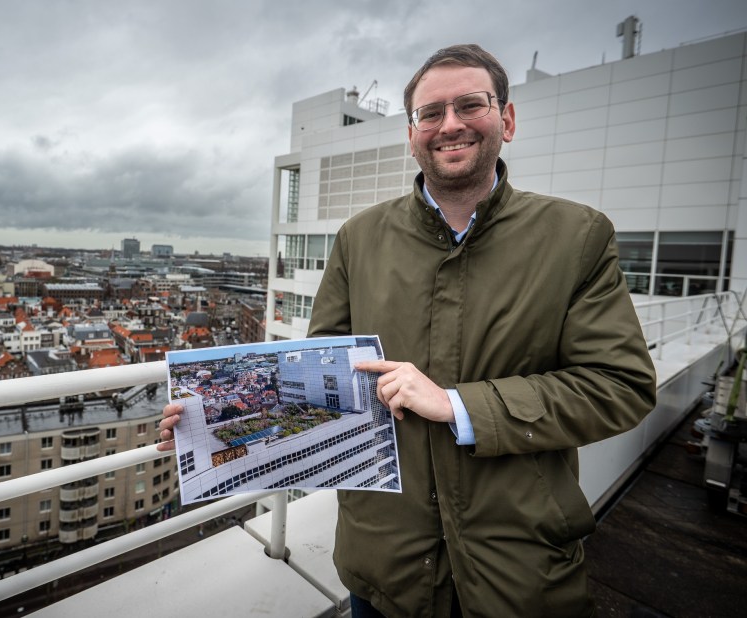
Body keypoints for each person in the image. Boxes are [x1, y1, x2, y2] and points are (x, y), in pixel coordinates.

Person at [158, 44, 656, 617]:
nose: (450, 125)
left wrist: (457, 405)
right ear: (413, 133)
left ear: (507, 120)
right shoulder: (359, 238)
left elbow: (620, 386)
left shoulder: (577, 237)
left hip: (519, 573)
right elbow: (318, 381)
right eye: (430, 113)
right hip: (383, 568)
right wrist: (217, 423)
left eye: (471, 104)